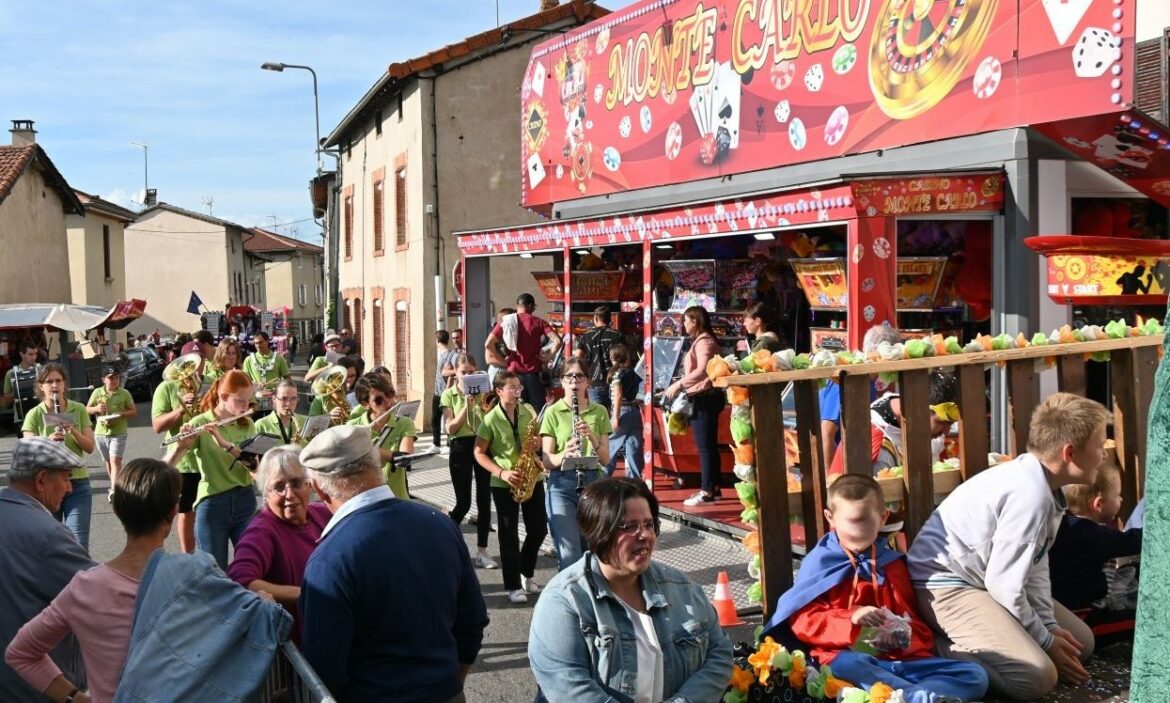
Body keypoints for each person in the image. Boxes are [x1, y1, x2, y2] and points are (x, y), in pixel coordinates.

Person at [908, 393, 1106, 700]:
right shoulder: (1030, 496)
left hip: (986, 581)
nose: (1104, 454)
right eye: (1099, 445)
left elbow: (1033, 566)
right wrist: (1044, 641)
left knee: (1081, 644)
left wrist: (1049, 627)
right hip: (946, 587)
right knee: (1036, 678)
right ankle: (932, 646)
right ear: (1069, 453)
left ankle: (1000, 639)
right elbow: (1004, 586)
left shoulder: (1044, 485)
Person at [299, 426, 489, 702]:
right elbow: (472, 622)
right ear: (377, 465)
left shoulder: (330, 559)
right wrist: (450, 685)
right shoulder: (440, 523)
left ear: (318, 488)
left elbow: (324, 669)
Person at [764, 474, 989, 703]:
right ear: (830, 517)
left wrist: (901, 635)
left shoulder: (892, 564)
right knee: (848, 665)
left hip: (898, 662)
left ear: (883, 518)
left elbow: (915, 622)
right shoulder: (820, 562)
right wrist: (851, 618)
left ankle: (909, 697)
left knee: (975, 676)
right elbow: (803, 622)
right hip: (846, 659)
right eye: (851, 521)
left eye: (864, 520)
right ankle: (919, 697)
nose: (857, 531)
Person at [529, 477, 732, 702]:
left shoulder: (681, 587)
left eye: (649, 525)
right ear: (600, 532)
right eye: (630, 526)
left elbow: (720, 653)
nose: (645, 535)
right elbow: (569, 687)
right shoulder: (563, 601)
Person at [6, 458, 180, 703]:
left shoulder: (84, 587)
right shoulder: (197, 577)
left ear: (116, 509)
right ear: (174, 510)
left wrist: (75, 697)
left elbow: (20, 652)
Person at [0, 439, 94, 701]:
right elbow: (100, 595)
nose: (69, 488)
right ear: (41, 479)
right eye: (65, 478)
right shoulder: (48, 534)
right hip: (40, 686)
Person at [227, 446, 330, 644]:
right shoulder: (262, 530)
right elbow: (239, 580)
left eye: (296, 483)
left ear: (310, 484)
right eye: (279, 487)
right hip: (300, 643)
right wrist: (306, 595)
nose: (289, 494)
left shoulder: (322, 513)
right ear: (266, 492)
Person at [172, 369, 259, 569]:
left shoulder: (247, 424)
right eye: (240, 400)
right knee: (215, 571)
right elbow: (173, 462)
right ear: (224, 397)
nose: (246, 406)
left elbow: (254, 467)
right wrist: (181, 445)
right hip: (213, 503)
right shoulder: (200, 423)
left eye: (248, 400)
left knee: (250, 567)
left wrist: (227, 446)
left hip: (245, 500)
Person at [473, 371, 548, 604]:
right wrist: (502, 472)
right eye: (512, 388)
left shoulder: (528, 411)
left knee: (539, 529)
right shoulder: (490, 419)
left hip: (531, 477)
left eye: (519, 387)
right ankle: (513, 585)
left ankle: (525, 571)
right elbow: (479, 453)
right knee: (509, 535)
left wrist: (537, 442)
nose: (518, 391)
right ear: (499, 391)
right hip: (504, 482)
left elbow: (538, 438)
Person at [541, 359, 612, 570]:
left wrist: (591, 437)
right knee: (570, 553)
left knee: (593, 551)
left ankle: (591, 590)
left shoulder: (599, 411)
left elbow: (605, 459)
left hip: (592, 483)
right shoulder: (553, 412)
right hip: (562, 484)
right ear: (562, 381)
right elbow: (547, 460)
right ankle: (571, 590)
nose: (574, 381)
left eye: (580, 376)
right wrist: (565, 453)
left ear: (587, 381)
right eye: (569, 376)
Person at [828, 369, 959, 476]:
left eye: (950, 424)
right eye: (942, 422)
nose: (947, 431)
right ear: (918, 410)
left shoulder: (905, 405)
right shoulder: (876, 446)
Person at [23, 363, 96, 551]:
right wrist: (47, 441)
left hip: (77, 483)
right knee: (49, 545)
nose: (54, 385)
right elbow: (28, 453)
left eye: (58, 381)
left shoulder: (78, 409)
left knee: (78, 544)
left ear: (64, 384)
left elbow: (89, 447)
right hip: (47, 486)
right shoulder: (34, 414)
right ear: (41, 386)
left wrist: (73, 431)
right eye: (49, 382)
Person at [1049, 464, 1142, 611]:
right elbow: (1131, 542)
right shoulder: (1091, 534)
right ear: (1099, 504)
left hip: (1063, 606)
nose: (1121, 499)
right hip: (1085, 611)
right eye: (1118, 495)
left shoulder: (1065, 524)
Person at [441, 353, 497, 569]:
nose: (467, 376)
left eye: (472, 372)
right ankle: (445, 538)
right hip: (460, 446)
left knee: (484, 500)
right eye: (464, 372)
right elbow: (450, 428)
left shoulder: (485, 392)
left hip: (482, 444)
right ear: (456, 373)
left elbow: (492, 419)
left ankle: (482, 551)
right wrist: (466, 405)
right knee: (463, 502)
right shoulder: (449, 394)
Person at [664, 306, 725, 506]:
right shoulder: (702, 341)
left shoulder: (704, 341)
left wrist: (679, 384)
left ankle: (706, 491)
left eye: (686, 320)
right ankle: (714, 488)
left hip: (704, 398)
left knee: (705, 447)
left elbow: (702, 370)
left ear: (695, 321)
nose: (683, 324)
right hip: (705, 397)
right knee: (709, 446)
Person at [820, 324, 903, 468]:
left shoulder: (868, 381)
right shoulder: (845, 379)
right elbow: (826, 433)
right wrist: (831, 478)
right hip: (839, 468)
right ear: (883, 353)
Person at [151, 344, 205, 554]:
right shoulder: (166, 387)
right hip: (183, 460)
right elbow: (157, 425)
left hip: (207, 456)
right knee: (185, 511)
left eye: (200, 360)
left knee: (206, 511)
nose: (196, 366)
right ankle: (187, 557)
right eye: (192, 360)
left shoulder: (206, 383)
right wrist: (180, 409)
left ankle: (203, 558)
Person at [485, 293, 562, 413]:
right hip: (533, 374)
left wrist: (503, 361)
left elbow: (488, 344)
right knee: (537, 411)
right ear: (530, 306)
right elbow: (558, 341)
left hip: (513, 374)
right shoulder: (539, 322)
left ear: (518, 305)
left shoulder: (506, 322)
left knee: (515, 410)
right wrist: (547, 358)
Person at [347, 372, 417, 500]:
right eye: (378, 400)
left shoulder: (404, 423)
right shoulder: (353, 427)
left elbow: (405, 457)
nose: (387, 401)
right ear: (365, 404)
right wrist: (389, 454)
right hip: (365, 499)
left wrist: (367, 450)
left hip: (397, 498)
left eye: (389, 394)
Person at [85, 366, 137, 503]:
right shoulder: (97, 392)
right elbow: (86, 409)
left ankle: (114, 490)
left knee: (115, 461)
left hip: (118, 432)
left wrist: (121, 414)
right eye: (110, 378)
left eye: (116, 377)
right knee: (108, 461)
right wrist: (96, 408)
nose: (114, 380)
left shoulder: (124, 393)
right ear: (103, 379)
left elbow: (133, 411)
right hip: (100, 433)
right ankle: (115, 485)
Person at [604, 343, 644, 481]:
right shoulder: (633, 373)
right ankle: (634, 480)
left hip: (622, 411)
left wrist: (615, 417)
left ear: (612, 357)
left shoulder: (616, 374)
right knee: (634, 446)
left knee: (611, 445)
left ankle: (603, 477)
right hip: (635, 411)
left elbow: (618, 395)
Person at [575, 305, 625, 409]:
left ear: (596, 318)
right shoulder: (618, 335)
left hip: (594, 382)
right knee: (614, 413)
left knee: (597, 414)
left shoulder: (586, 336)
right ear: (609, 319)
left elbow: (577, 358)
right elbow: (624, 359)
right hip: (614, 381)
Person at [243, 331, 290, 414]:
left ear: (267, 341)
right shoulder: (248, 360)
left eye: (260, 342)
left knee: (274, 421)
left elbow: (288, 379)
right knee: (256, 421)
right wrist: (255, 384)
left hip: (274, 399)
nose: (258, 345)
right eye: (256, 343)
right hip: (255, 399)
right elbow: (244, 381)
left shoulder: (279, 359)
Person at [255, 379, 310, 446]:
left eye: (293, 398)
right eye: (284, 399)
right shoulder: (261, 425)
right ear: (274, 399)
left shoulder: (307, 422)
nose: (288, 404)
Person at [308, 355, 363, 421]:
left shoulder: (360, 394)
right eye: (345, 376)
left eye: (352, 376)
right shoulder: (322, 397)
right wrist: (328, 418)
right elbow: (311, 420)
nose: (349, 379)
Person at [2, 341, 43, 423]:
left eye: (35, 354)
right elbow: (6, 400)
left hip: (41, 416)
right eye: (30, 354)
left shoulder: (43, 370)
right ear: (22, 354)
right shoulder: (11, 373)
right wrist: (23, 390)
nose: (34, 357)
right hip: (22, 419)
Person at [432, 330, 459, 449]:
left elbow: (457, 371)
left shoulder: (451, 355)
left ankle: (448, 444)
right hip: (437, 391)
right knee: (435, 419)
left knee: (448, 418)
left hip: (446, 392)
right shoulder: (444, 354)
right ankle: (436, 444)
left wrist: (448, 372)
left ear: (437, 341)